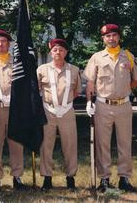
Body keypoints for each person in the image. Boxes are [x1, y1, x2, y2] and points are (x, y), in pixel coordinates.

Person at [82, 24, 137, 193]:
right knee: (102, 144)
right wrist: (89, 102)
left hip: (123, 105)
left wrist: (123, 89)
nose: (111, 39)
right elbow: (90, 83)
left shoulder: (128, 56)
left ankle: (124, 178)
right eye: (108, 36)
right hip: (103, 106)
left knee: (125, 143)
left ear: (119, 37)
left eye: (114, 35)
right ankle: (104, 179)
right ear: (103, 39)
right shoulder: (96, 57)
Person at [37, 39, 82, 192]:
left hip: (67, 112)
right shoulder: (41, 70)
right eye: (55, 50)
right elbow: (36, 90)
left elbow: (76, 91)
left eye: (61, 50)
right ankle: (47, 178)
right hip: (47, 111)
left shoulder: (74, 70)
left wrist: (64, 103)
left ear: (66, 53)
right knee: (46, 146)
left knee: (70, 145)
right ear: (51, 52)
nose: (58, 53)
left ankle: (70, 178)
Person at [0, 29, 25, 192]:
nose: (0, 44)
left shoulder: (18, 64)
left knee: (16, 144)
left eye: (3, 41)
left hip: (15, 110)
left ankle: (17, 176)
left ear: (9, 44)